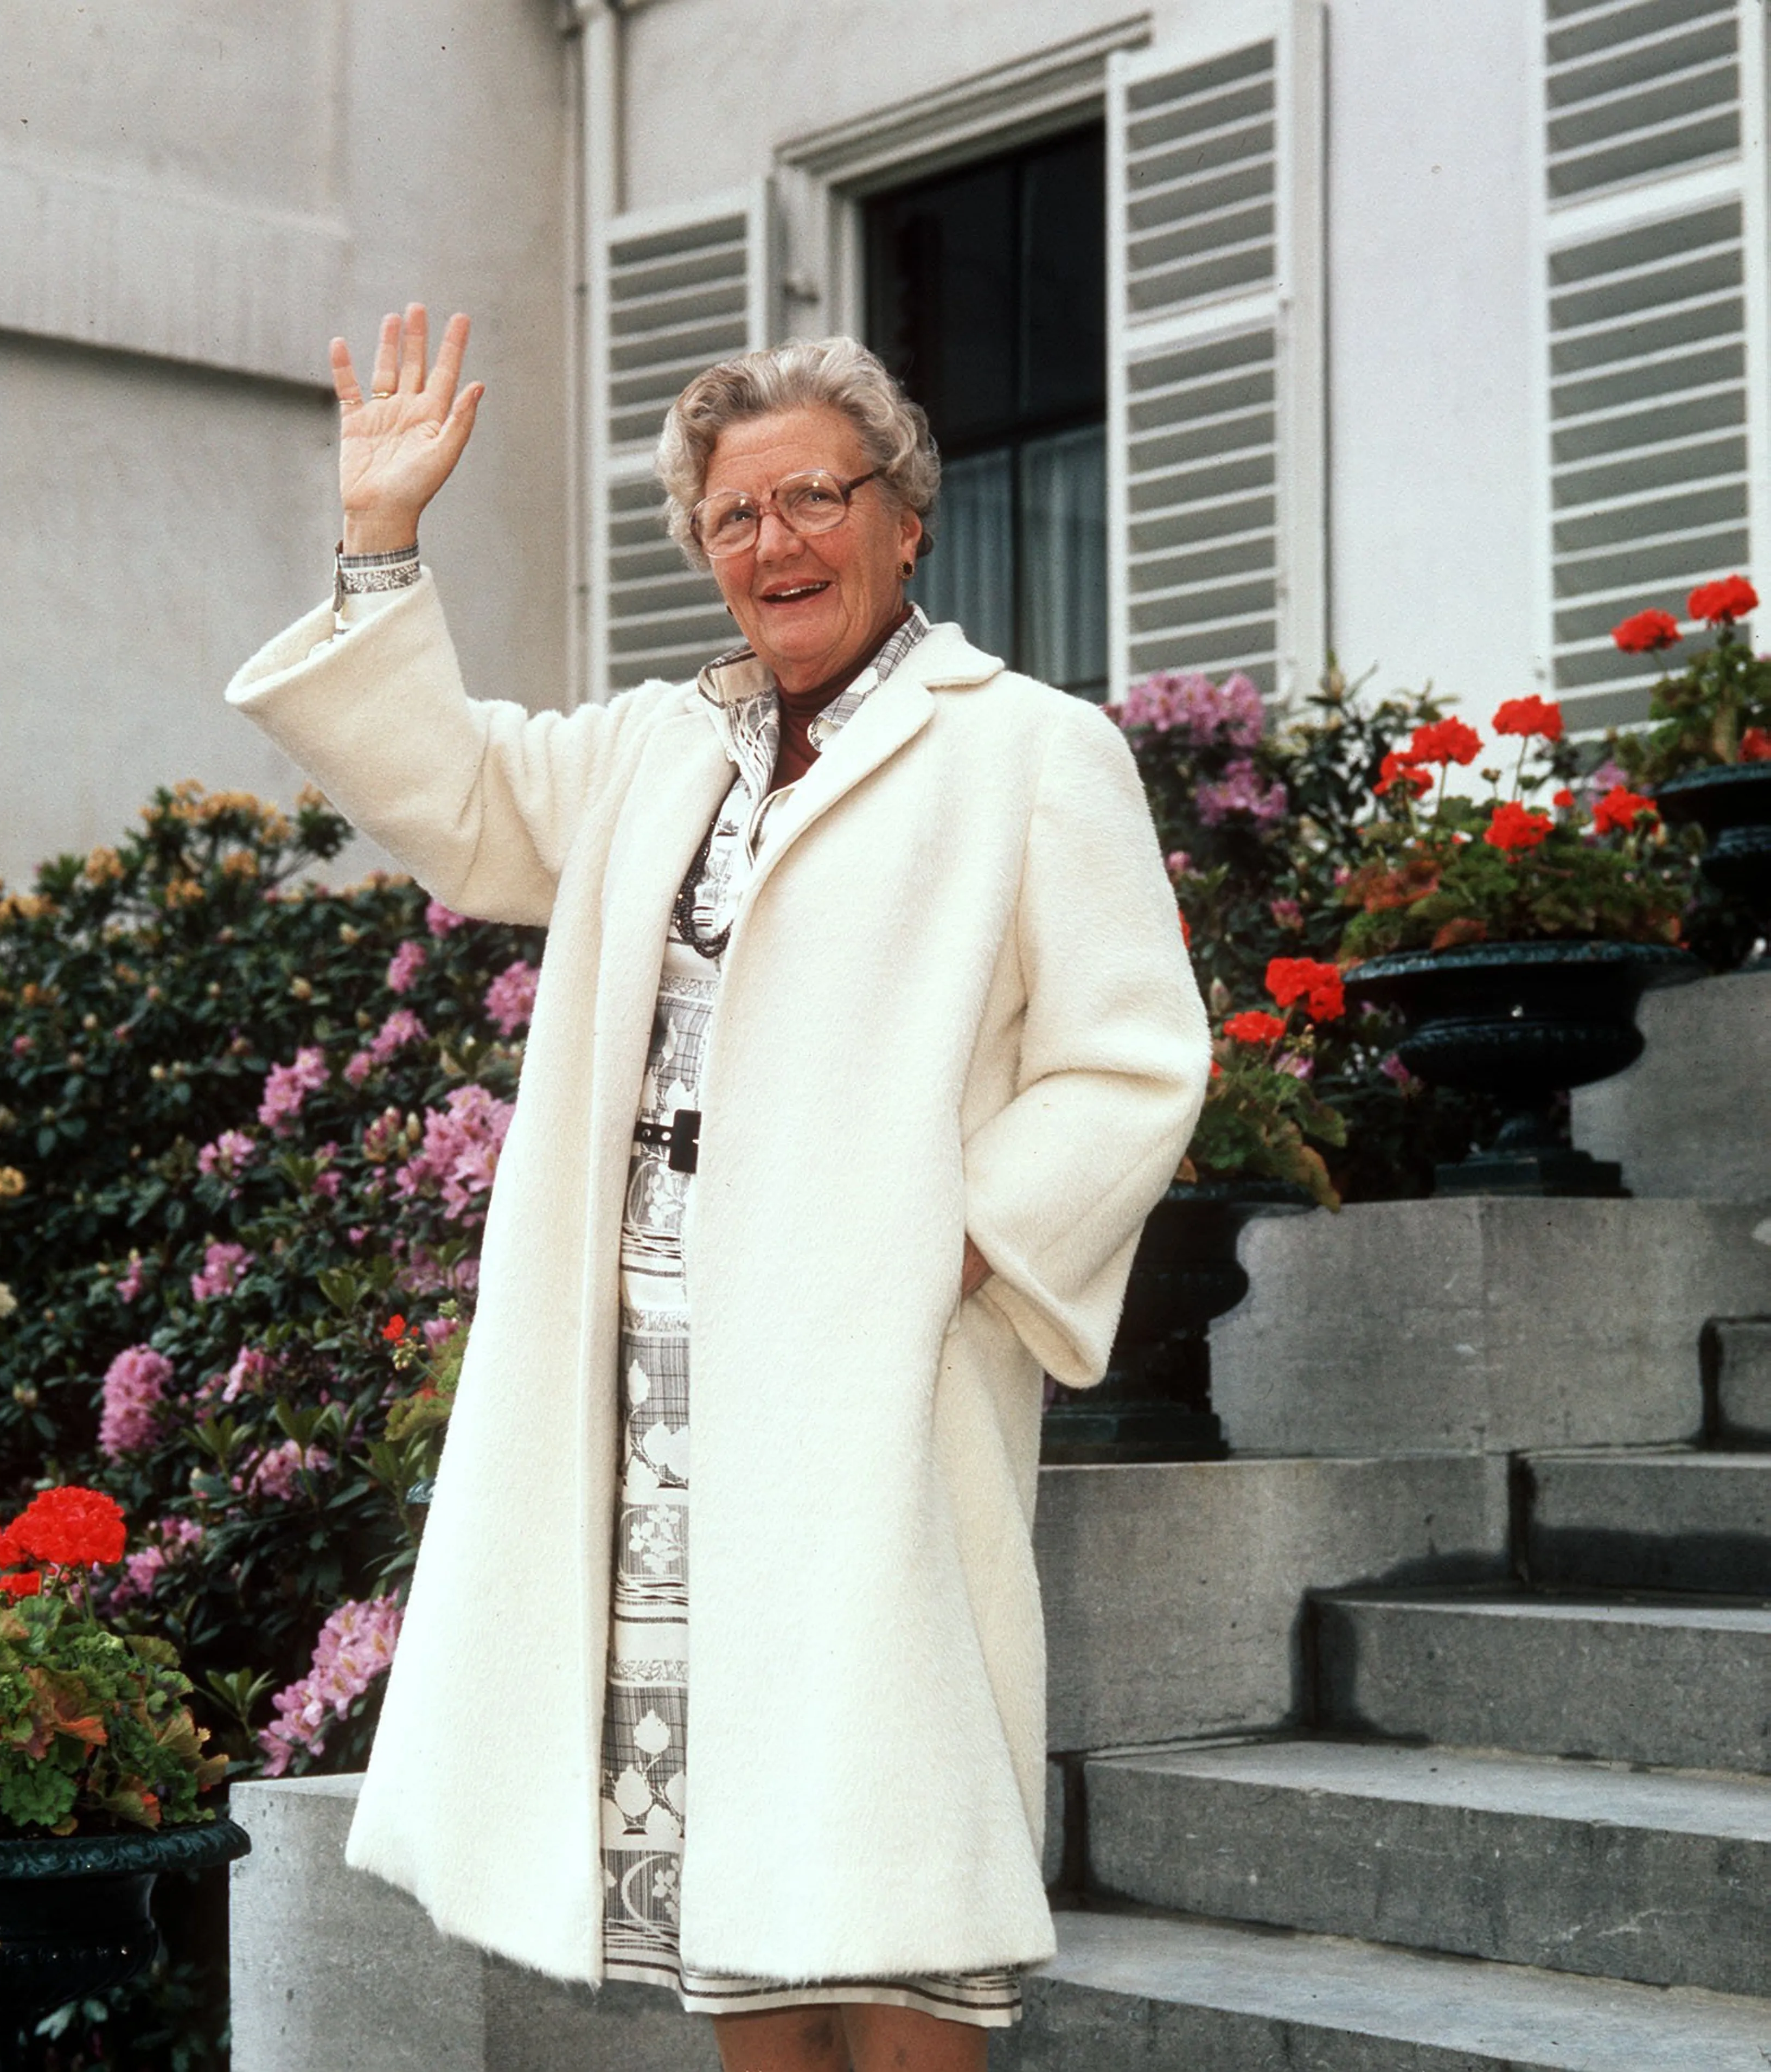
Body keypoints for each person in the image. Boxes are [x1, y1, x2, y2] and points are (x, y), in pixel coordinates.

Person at [227, 305, 1207, 2072]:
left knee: (899, 1876)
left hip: (876, 1390)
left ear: (906, 518)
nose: (776, 542)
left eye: (815, 496)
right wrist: (379, 538)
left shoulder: (1029, 751)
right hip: (654, 1410)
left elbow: (1131, 1059)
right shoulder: (654, 752)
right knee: (740, 1892)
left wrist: (951, 1248)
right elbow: (455, 795)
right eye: (736, 516)